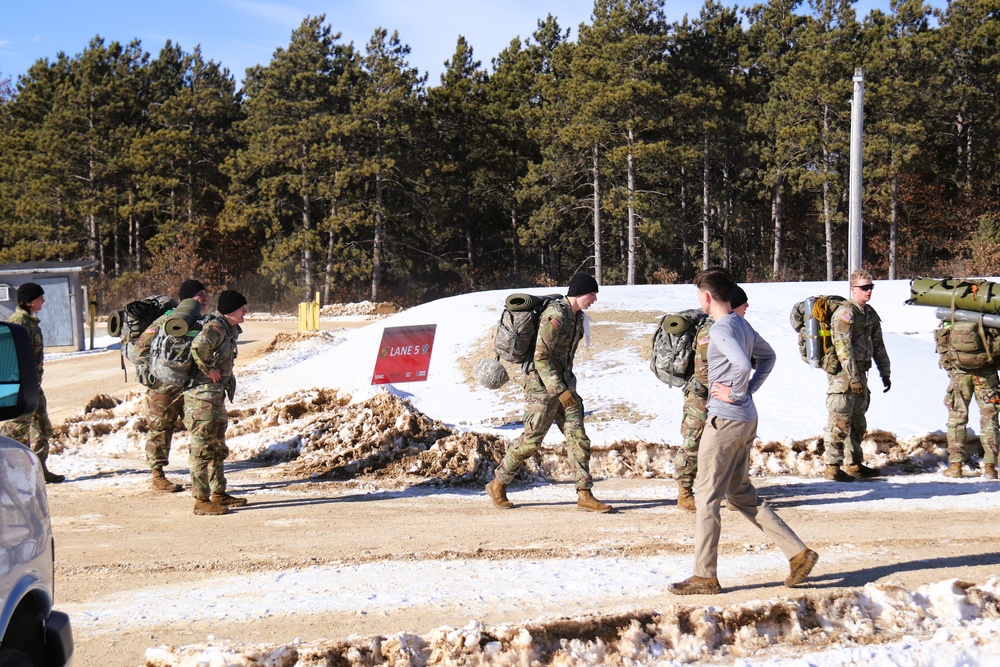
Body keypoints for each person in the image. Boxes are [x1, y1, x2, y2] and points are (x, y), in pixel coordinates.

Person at [669, 270, 817, 595]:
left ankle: (704, 576)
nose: (699, 300)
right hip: (747, 420)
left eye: (699, 295)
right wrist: (748, 392)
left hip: (725, 420)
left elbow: (741, 364)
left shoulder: (721, 328)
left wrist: (737, 392)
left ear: (707, 297)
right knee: (739, 493)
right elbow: (768, 357)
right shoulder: (742, 325)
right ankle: (798, 553)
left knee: (706, 496)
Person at [486, 273, 611, 513]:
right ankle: (498, 482)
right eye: (592, 294)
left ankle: (584, 494)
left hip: (566, 388)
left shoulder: (578, 317)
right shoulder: (555, 315)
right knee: (531, 443)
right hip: (541, 389)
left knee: (578, 438)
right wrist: (559, 390)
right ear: (578, 292)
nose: (594, 299)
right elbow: (540, 357)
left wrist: (566, 390)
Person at [676, 278, 747, 513]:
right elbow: (703, 371)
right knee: (694, 442)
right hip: (700, 396)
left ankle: (730, 491)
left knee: (725, 444)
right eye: (744, 303)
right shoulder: (711, 330)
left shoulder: (734, 328)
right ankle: (685, 492)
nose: (747, 307)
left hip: (721, 396)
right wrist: (729, 387)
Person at [135, 279, 208, 493]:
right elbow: (140, 349)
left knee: (200, 428)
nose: (204, 299)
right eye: (199, 295)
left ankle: (201, 477)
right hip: (163, 388)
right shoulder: (166, 320)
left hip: (191, 387)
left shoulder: (201, 322)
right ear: (187, 298)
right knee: (160, 429)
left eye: (205, 294)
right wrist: (158, 370)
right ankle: (157, 476)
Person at [822, 269, 891, 482]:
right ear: (853, 289)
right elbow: (843, 347)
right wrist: (852, 377)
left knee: (858, 421)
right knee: (840, 419)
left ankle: (854, 463)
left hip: (861, 372)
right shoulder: (845, 313)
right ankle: (832, 466)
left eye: (871, 287)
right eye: (864, 287)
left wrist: (885, 371)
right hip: (843, 375)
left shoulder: (869, 313)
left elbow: (878, 344)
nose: (868, 291)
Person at [185, 290, 249, 516]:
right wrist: (208, 369)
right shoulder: (215, 328)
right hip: (201, 397)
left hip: (214, 396)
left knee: (217, 446)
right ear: (231, 309)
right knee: (202, 447)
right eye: (242, 307)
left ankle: (218, 493)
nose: (245, 311)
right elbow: (197, 348)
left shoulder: (229, 329)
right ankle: (201, 500)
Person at [0, 283, 64, 483]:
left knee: (41, 426)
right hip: (21, 386)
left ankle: (39, 469)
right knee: (17, 428)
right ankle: (10, 473)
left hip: (33, 385)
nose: (43, 301)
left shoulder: (30, 321)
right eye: (40, 298)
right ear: (28, 301)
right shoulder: (18, 322)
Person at [936, 321, 999, 479]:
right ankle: (990, 467)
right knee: (989, 418)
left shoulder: (953, 310)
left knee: (957, 417)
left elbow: (943, 341)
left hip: (960, 372)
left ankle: (956, 466)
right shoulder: (989, 311)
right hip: (986, 372)